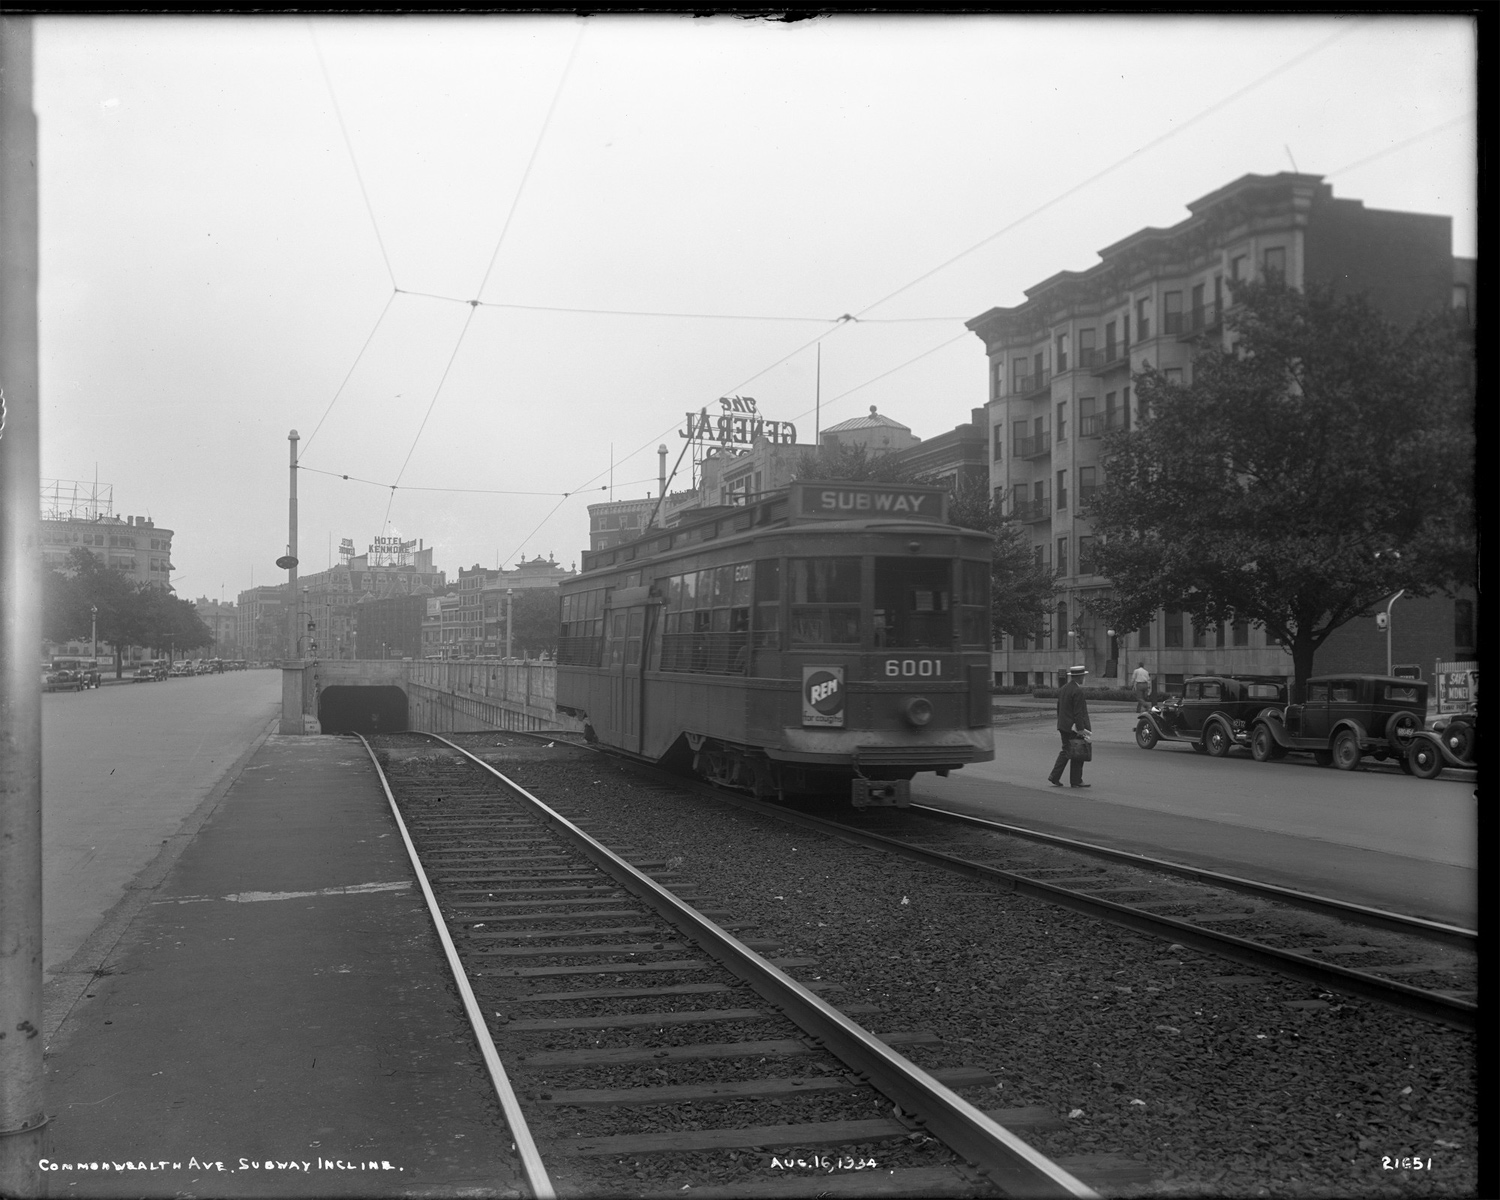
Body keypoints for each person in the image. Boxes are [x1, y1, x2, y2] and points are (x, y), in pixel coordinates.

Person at [1048, 665, 1093, 789]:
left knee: (1067, 751)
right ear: (1079, 677)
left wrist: (1062, 722)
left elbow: (1059, 708)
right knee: (1078, 752)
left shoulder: (1064, 688)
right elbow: (1078, 712)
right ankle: (1075, 780)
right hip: (1073, 727)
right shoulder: (1077, 691)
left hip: (1063, 725)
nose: (1083, 678)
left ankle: (1057, 777)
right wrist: (1081, 729)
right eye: (1083, 675)